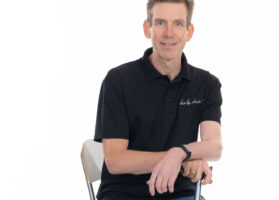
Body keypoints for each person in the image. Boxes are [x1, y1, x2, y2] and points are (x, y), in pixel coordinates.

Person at [94, 0, 223, 199]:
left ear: (189, 32)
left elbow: (214, 146)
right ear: (148, 28)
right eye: (161, 23)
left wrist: (180, 152)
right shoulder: (118, 80)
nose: (169, 33)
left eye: (178, 24)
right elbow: (116, 161)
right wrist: (180, 159)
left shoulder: (206, 84)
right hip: (123, 194)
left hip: (180, 194)